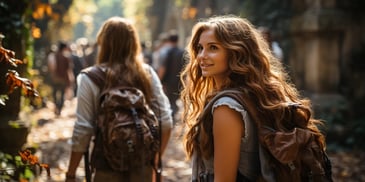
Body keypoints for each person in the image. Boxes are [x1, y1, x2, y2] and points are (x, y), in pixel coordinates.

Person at [180, 15, 326, 181]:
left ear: (237, 52)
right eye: (200, 48)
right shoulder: (258, 95)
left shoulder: (226, 108)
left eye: (213, 48)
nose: (201, 56)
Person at [65, 17, 173, 182]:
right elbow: (165, 121)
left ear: (102, 43)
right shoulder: (147, 74)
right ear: (134, 43)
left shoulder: (90, 77)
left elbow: (83, 129)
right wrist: (155, 159)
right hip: (142, 165)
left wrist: (71, 173)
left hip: (106, 165)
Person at [157, 30, 185, 122]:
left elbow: (163, 68)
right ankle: (173, 115)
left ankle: (171, 118)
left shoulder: (167, 52)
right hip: (179, 81)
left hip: (168, 81)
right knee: (174, 100)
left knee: (169, 101)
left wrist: (159, 80)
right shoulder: (182, 52)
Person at [50, 41, 74, 116]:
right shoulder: (66, 57)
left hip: (55, 78)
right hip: (63, 78)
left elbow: (52, 67)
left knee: (55, 93)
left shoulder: (53, 56)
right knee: (62, 94)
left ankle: (56, 106)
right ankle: (59, 109)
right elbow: (69, 69)